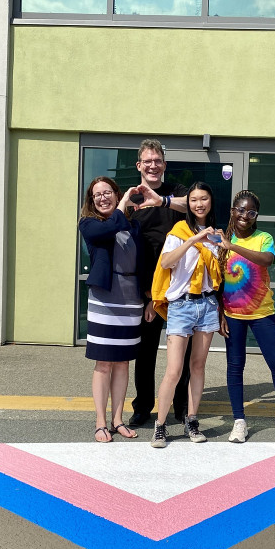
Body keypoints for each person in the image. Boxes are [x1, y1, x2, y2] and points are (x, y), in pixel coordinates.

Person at [218, 190, 275, 443]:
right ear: (233, 211)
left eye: (251, 212)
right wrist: (219, 313)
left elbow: (267, 260)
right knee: (235, 366)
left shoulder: (263, 238)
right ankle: (239, 421)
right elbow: (217, 281)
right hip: (232, 314)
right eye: (241, 210)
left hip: (262, 312)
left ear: (256, 216)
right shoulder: (221, 240)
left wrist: (233, 246)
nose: (245, 215)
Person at [149, 182, 223, 448]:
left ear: (211, 202)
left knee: (198, 366)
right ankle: (160, 425)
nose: (199, 204)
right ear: (188, 204)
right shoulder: (179, 232)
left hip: (207, 305)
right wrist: (193, 240)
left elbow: (220, 276)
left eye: (203, 199)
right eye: (193, 200)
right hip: (181, 305)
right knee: (174, 370)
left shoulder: (217, 236)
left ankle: (192, 420)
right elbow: (167, 262)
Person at [78, 177, 151, 442]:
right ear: (91, 201)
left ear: (116, 193)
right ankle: (100, 422)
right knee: (104, 363)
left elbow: (141, 262)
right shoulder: (90, 224)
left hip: (130, 300)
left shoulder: (133, 226)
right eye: (97, 195)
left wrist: (148, 298)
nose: (102, 198)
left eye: (107, 192)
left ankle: (118, 419)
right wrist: (123, 204)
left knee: (122, 363)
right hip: (104, 300)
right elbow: (107, 230)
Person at [126, 139, 191, 429]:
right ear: (139, 165)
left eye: (158, 161)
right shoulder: (132, 198)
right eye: (147, 161)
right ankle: (143, 407)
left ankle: (180, 406)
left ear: (164, 164)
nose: (153, 165)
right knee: (146, 352)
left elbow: (192, 205)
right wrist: (148, 295)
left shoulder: (176, 193)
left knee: (183, 353)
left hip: (178, 289)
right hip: (147, 289)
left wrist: (161, 199)